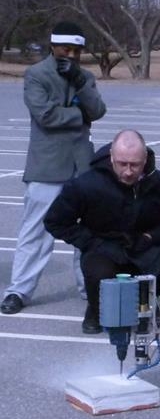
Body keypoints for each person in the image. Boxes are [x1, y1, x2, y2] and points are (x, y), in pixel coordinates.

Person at [44, 129, 160, 334]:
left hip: (143, 248)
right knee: (99, 274)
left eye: (135, 165)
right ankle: (96, 310)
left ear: (145, 159)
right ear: (111, 157)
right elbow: (55, 221)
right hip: (103, 249)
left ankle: (157, 307)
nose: (128, 172)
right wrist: (92, 242)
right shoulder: (86, 184)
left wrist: (150, 237)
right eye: (122, 164)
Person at [1, 21, 106, 315]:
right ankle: (19, 290)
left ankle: (90, 286)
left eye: (77, 50)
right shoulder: (36, 75)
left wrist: (82, 85)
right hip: (46, 166)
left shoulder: (85, 77)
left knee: (87, 232)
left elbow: (97, 111)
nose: (71, 55)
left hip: (82, 165)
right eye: (66, 49)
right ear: (53, 46)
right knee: (35, 232)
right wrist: (78, 114)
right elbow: (45, 115)